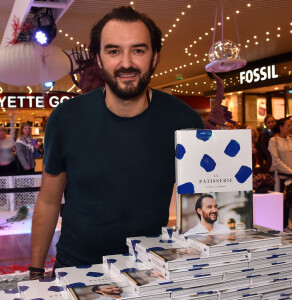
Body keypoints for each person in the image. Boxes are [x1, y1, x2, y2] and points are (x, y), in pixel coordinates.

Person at [30, 6, 204, 279]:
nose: (126, 63)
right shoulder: (65, 119)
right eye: (113, 51)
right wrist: (35, 270)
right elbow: (49, 201)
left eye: (138, 50)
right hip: (76, 268)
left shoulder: (184, 120)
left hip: (150, 267)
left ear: (154, 56)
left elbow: (201, 202)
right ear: (98, 59)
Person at [268, 117, 292, 231]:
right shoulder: (274, 141)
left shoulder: (291, 139)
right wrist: (290, 171)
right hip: (281, 176)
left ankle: (289, 225)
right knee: (282, 203)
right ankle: (281, 226)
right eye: (288, 125)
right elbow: (276, 161)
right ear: (281, 127)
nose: (290, 128)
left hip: (291, 177)